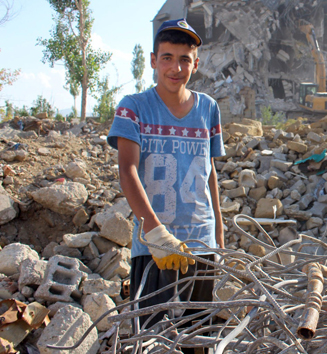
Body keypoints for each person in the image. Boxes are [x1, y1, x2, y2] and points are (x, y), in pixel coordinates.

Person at [107, 18, 224, 331]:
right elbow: (127, 169)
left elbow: (209, 170)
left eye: (184, 59)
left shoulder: (208, 109)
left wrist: (219, 235)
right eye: (168, 58)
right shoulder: (134, 108)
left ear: (195, 64)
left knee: (198, 333)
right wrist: (155, 232)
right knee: (151, 334)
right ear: (153, 61)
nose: (176, 68)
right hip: (154, 246)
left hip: (200, 244)